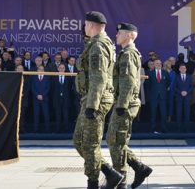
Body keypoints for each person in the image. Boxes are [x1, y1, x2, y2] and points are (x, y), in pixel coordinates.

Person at [73, 11, 123, 189]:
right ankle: (110, 173)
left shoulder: (98, 46)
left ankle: (93, 183)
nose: (84, 27)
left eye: (86, 24)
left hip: (95, 100)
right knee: (79, 141)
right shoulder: (97, 43)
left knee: (89, 143)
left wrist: (92, 106)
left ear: (92, 25)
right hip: (92, 98)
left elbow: (98, 77)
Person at [106, 22, 153, 189]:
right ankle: (140, 169)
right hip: (123, 102)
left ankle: (121, 180)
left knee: (115, 141)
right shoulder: (126, 53)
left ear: (129, 35)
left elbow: (128, 80)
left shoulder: (128, 54)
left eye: (120, 33)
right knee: (116, 140)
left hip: (124, 104)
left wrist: (121, 104)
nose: (116, 35)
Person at [146, 59, 170, 133]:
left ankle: (164, 128)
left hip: (163, 96)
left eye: (160, 63)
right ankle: (152, 129)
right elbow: (147, 85)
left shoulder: (165, 73)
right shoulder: (150, 73)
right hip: (153, 97)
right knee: (153, 113)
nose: (158, 64)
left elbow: (168, 82)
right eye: (157, 63)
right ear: (154, 64)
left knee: (163, 113)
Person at [171, 64, 192, 132]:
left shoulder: (189, 77)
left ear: (186, 69)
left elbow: (191, 87)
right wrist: (181, 92)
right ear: (179, 69)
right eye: (181, 68)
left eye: (184, 68)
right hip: (179, 97)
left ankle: (187, 128)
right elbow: (174, 87)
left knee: (187, 113)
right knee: (178, 113)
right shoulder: (176, 77)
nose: (183, 69)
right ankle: (178, 128)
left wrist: (187, 92)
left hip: (187, 97)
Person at [52, 64, 72, 133]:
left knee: (65, 115)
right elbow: (52, 88)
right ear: (58, 69)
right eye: (60, 68)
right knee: (58, 115)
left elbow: (70, 88)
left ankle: (66, 129)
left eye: (63, 68)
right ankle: (57, 129)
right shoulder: (54, 77)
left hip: (66, 99)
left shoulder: (68, 77)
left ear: (65, 69)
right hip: (56, 99)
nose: (61, 69)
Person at [31, 65, 51, 133]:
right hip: (36, 99)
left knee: (46, 114)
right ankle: (36, 129)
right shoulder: (33, 77)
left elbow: (48, 88)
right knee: (36, 114)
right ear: (37, 70)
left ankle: (47, 129)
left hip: (44, 98)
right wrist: (37, 95)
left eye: (42, 69)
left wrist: (42, 95)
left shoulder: (47, 77)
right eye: (39, 69)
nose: (41, 70)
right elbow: (32, 88)